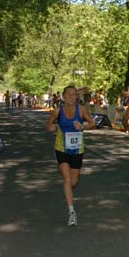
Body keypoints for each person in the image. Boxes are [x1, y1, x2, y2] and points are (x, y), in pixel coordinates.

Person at [45, 85, 95, 226]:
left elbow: (92, 123)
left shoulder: (82, 110)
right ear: (63, 96)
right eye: (69, 95)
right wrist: (52, 127)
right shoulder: (57, 111)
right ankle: (72, 212)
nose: (72, 97)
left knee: (73, 182)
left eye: (74, 95)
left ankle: (68, 194)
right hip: (61, 148)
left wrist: (83, 126)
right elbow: (48, 125)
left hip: (77, 149)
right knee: (67, 179)